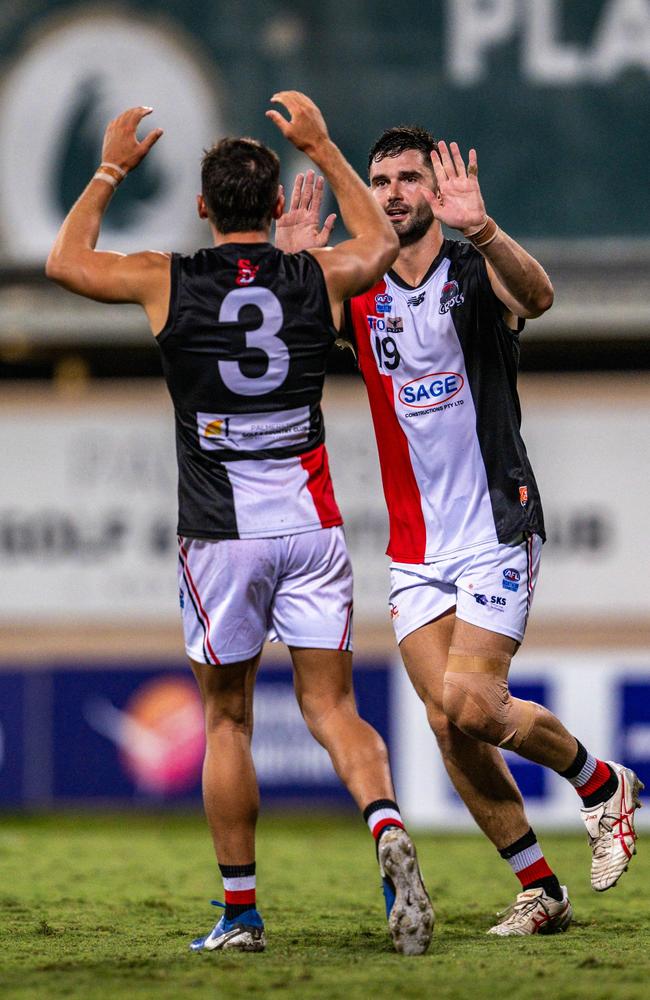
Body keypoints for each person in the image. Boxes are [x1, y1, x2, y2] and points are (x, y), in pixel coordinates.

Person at [45, 95, 434, 956]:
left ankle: (242, 915)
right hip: (311, 525)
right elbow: (377, 246)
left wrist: (110, 168)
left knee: (227, 722)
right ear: (269, 205)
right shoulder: (319, 273)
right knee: (333, 706)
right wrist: (327, 147)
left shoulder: (165, 277)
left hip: (220, 536)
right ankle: (384, 827)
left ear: (202, 207)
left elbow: (65, 261)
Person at [331, 126, 642, 935]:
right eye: (381, 180)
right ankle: (540, 888)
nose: (394, 191)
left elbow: (537, 298)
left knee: (472, 703)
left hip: (496, 526)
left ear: (435, 191)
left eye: (408, 178)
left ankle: (602, 783)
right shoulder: (357, 284)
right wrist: (302, 264)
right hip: (413, 549)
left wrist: (486, 228)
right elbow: (294, 339)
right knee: (446, 721)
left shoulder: (474, 266)